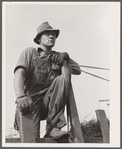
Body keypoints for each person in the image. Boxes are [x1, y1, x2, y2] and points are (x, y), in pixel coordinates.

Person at [14, 22, 81, 139]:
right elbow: (19, 74)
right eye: (47, 34)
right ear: (39, 39)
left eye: (53, 35)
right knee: (31, 139)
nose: (51, 36)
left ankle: (53, 128)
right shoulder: (30, 52)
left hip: (48, 105)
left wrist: (66, 56)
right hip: (30, 104)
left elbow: (77, 70)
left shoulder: (58, 57)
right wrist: (20, 96)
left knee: (61, 80)